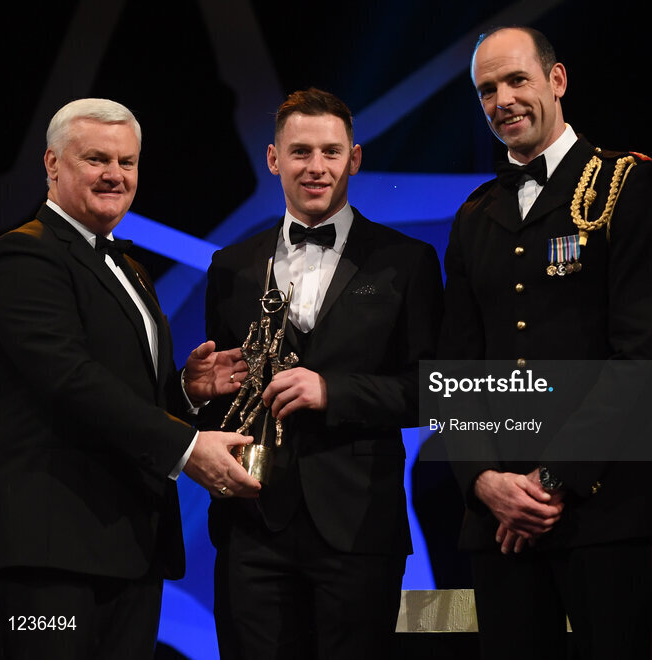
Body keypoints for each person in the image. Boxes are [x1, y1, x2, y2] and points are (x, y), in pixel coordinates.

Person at [0, 98, 261, 659]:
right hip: (47, 553)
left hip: (127, 549)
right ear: (52, 164)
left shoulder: (128, 267)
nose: (114, 175)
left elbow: (118, 389)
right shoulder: (24, 256)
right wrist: (189, 447)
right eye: (96, 159)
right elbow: (69, 381)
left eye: (127, 162)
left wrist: (185, 394)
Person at [438, 26, 652, 659]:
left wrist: (551, 479)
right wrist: (485, 481)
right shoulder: (473, 216)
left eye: (517, 80)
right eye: (487, 89)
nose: (503, 100)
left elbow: (642, 357)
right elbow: (456, 368)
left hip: (607, 512)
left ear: (557, 80)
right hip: (499, 522)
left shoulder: (627, 186)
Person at [204, 88, 443, 659]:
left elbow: (435, 391)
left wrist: (332, 391)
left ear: (354, 159)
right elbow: (224, 394)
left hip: (359, 527)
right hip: (251, 524)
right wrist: (195, 393)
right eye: (301, 151)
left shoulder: (406, 261)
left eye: (332, 152)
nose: (317, 167)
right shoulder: (231, 266)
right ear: (273, 158)